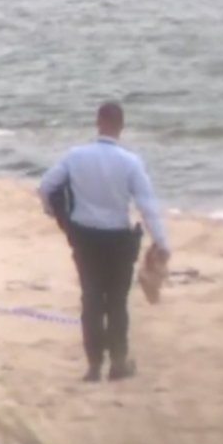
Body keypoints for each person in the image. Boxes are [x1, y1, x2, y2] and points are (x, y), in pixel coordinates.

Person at [38, 102, 170, 383]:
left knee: (92, 299)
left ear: (98, 122)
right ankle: (119, 363)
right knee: (117, 301)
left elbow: (46, 186)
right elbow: (146, 205)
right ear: (121, 127)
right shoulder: (130, 162)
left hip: (85, 237)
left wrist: (53, 212)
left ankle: (94, 364)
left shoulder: (76, 156)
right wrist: (161, 242)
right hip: (118, 239)